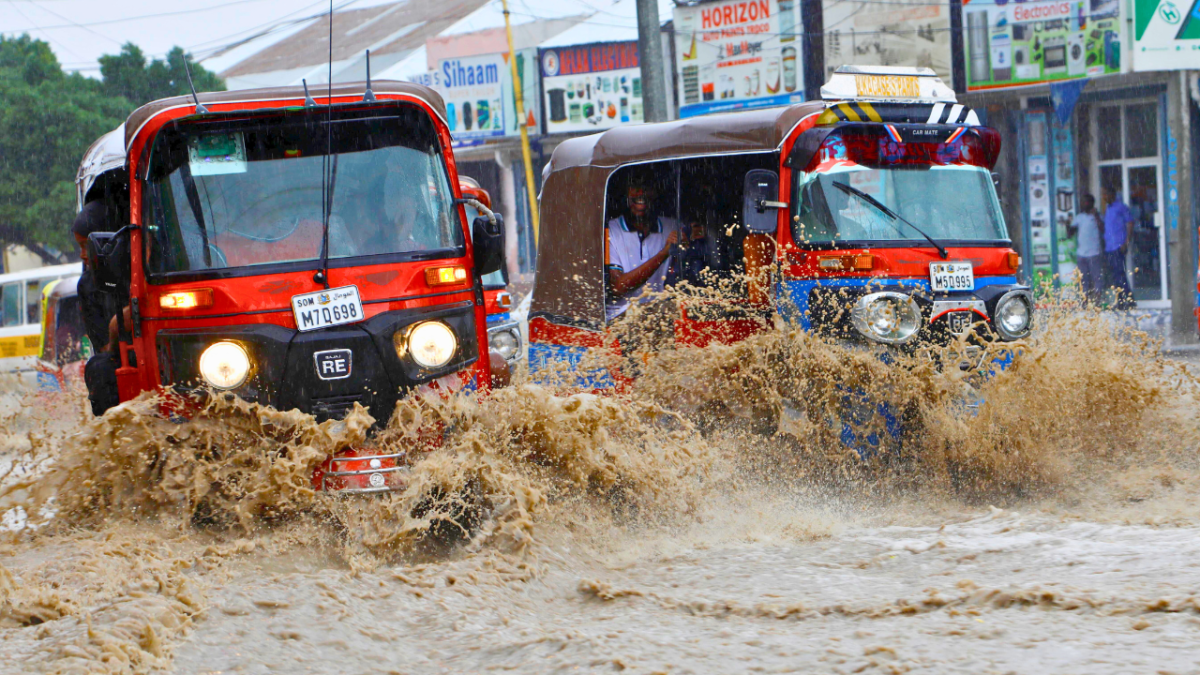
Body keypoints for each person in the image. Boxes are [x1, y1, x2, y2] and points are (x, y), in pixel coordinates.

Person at [72, 191, 122, 416]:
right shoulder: (87, 286)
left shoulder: (145, 267)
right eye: (80, 247)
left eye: (86, 246)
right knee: (99, 368)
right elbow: (103, 346)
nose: (83, 255)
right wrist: (116, 329)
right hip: (120, 357)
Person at [605, 181, 681, 322]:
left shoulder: (672, 226)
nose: (641, 193)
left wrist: (691, 242)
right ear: (626, 194)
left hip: (660, 311)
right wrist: (663, 254)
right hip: (621, 316)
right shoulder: (611, 230)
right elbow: (618, 287)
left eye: (646, 187)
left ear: (655, 193)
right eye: (635, 187)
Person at [1101, 185, 1135, 310]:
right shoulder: (1108, 209)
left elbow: (1130, 222)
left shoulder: (1121, 207)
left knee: (1120, 274)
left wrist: (1126, 242)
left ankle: (1129, 301)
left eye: (1105, 194)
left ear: (1112, 194)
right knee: (1115, 276)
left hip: (1118, 246)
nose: (1103, 197)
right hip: (1109, 247)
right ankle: (1121, 301)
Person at [1069, 193, 1104, 304]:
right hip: (1081, 254)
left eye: (1084, 202)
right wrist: (1067, 224)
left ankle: (1098, 300)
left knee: (1096, 277)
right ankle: (1085, 301)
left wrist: (1096, 216)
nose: (1082, 204)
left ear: (1090, 203)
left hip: (1094, 252)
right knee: (1083, 279)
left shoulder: (1097, 216)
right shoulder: (1079, 217)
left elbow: (1103, 229)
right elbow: (1070, 233)